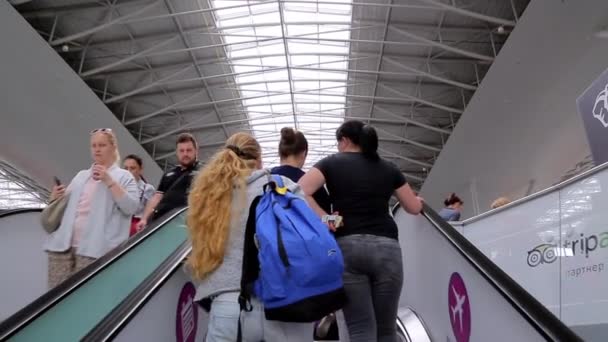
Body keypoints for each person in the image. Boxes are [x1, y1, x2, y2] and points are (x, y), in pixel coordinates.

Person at [298, 120, 423, 342]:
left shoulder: (331, 163)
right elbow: (413, 207)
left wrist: (326, 218)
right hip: (387, 249)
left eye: (338, 143)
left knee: (360, 329)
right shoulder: (389, 167)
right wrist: (419, 201)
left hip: (347, 248)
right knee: (386, 330)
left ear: (345, 140)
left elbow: (300, 190)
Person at [186, 132, 312, 341]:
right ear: (259, 160)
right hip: (283, 304)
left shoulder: (208, 196)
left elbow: (198, 250)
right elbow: (308, 237)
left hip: (228, 306)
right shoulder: (282, 186)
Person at [45, 128, 139, 288]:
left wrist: (109, 181)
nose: (97, 149)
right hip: (62, 247)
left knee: (84, 299)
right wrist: (54, 197)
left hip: (96, 250)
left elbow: (131, 207)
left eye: (102, 145)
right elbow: (64, 207)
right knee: (54, 301)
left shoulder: (124, 176)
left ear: (113, 147)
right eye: (93, 145)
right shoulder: (81, 176)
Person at [270, 128, 337, 340]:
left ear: (280, 151)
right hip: (305, 260)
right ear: (304, 153)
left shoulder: (265, 179)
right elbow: (327, 222)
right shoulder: (312, 182)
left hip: (272, 259)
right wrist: (340, 219)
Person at [137, 133, 200, 230]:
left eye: (189, 150)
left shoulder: (204, 171)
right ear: (177, 152)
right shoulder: (168, 174)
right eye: (181, 151)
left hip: (184, 224)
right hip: (160, 222)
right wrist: (144, 219)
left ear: (196, 151)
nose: (185, 154)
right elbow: (157, 197)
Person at [271, 127, 332, 213]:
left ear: (280, 153)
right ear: (303, 153)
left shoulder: (266, 179)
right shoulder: (312, 184)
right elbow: (325, 219)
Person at [123, 154, 155, 236]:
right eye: (126, 168)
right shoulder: (118, 186)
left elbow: (150, 211)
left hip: (135, 227)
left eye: (132, 168)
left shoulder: (147, 189)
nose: (128, 171)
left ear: (140, 170)